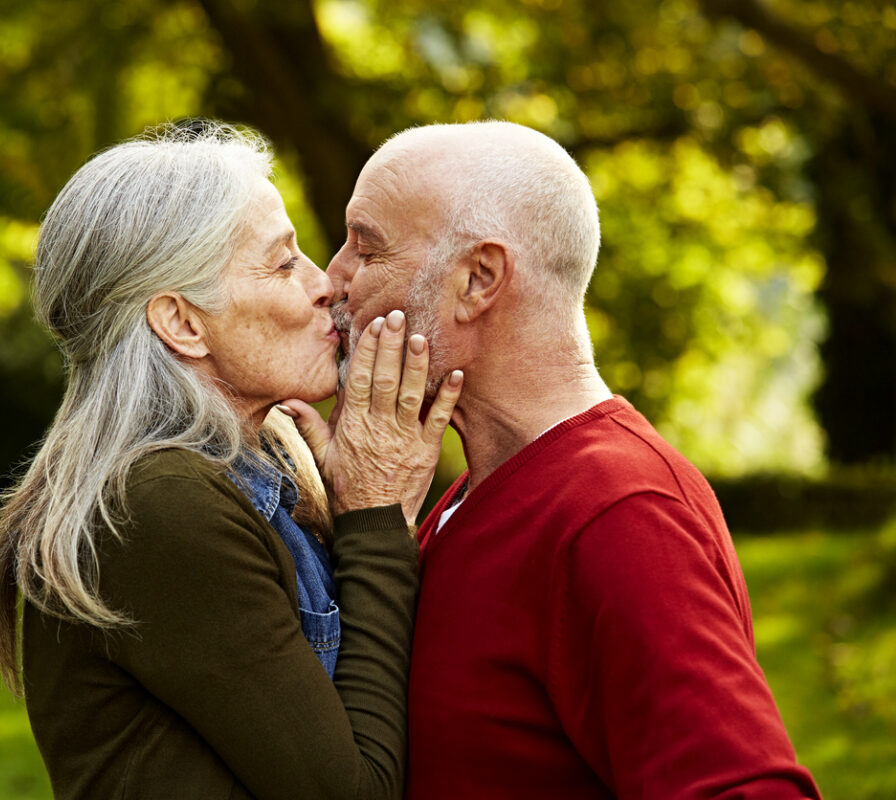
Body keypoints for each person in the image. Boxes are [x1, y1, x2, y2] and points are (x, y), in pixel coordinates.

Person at [290, 120, 821, 798]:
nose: (331, 279)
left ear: (478, 279)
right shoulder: (468, 496)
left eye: (366, 248)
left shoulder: (621, 512)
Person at [0, 121, 462, 800]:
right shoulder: (157, 506)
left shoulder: (265, 465)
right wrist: (377, 513)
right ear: (182, 324)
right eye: (283, 263)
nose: (325, 284)